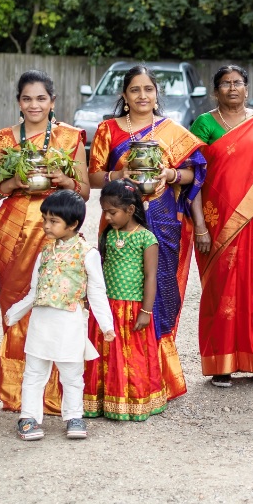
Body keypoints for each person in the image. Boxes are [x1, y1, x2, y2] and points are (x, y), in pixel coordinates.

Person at [88, 65, 205, 400]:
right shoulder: (108, 130)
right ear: (124, 97)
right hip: (119, 220)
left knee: (160, 290)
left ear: (157, 95)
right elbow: (95, 178)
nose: (142, 96)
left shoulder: (172, 130)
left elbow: (194, 174)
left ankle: (158, 378)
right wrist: (119, 172)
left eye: (148, 90)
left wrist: (170, 174)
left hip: (163, 220)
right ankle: (119, 380)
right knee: (118, 291)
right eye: (135, 90)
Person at [0, 71, 88, 413]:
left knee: (58, 307)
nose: (34, 105)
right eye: (27, 98)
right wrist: (12, 182)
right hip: (12, 234)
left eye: (41, 98)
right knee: (17, 306)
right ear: (18, 102)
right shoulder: (2, 139)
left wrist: (64, 180)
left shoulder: (70, 138)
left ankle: (56, 396)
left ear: (53, 102)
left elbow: (85, 191)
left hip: (59, 233)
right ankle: (17, 393)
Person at [189, 65, 253, 387]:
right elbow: (194, 178)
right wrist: (199, 224)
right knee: (220, 290)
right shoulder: (204, 124)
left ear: (246, 88)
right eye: (225, 84)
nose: (231, 88)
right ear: (216, 92)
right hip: (216, 223)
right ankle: (221, 364)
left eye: (237, 83)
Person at [6, 190, 115, 441]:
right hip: (41, 323)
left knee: (72, 374)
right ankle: (28, 417)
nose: (46, 226)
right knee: (34, 372)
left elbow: (97, 292)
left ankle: (74, 416)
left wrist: (106, 325)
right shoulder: (44, 253)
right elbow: (34, 291)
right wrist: (14, 313)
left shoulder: (89, 254)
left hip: (70, 322)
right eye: (45, 219)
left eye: (53, 221)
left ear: (73, 224)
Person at [84, 180, 169, 421]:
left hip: (132, 307)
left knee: (132, 356)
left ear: (130, 210)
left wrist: (147, 311)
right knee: (106, 354)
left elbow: (151, 277)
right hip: (107, 307)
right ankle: (103, 400)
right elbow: (99, 269)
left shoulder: (146, 238)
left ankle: (134, 401)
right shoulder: (108, 236)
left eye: (112, 212)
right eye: (104, 212)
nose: (107, 217)